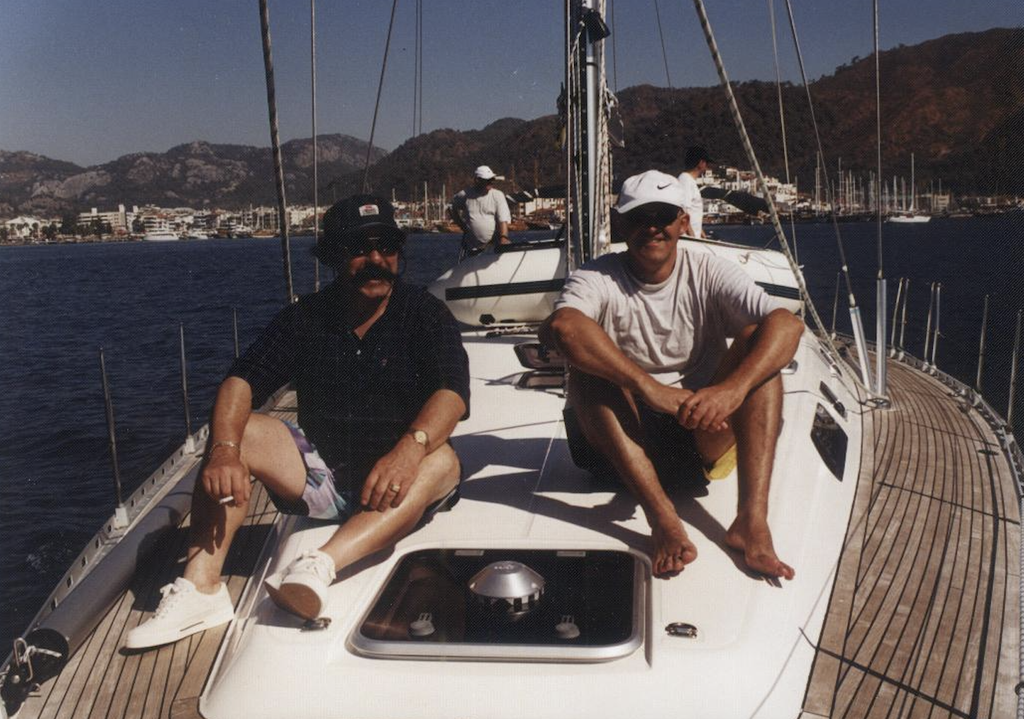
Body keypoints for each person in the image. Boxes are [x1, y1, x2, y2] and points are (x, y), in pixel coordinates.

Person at [125, 195, 470, 649]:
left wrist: (409, 449)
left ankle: (319, 565)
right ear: (332, 257)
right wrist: (225, 450)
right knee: (240, 431)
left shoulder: (424, 314)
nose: (375, 260)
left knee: (441, 460)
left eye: (386, 246)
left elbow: (452, 393)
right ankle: (202, 588)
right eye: (358, 248)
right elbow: (241, 380)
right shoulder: (306, 318)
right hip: (324, 476)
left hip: (399, 480)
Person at [539, 170, 803, 581]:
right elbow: (563, 329)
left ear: (683, 222)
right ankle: (663, 519)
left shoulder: (709, 272)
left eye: (662, 215)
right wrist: (649, 388)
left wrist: (730, 391)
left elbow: (787, 324)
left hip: (698, 437)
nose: (652, 227)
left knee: (759, 349)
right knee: (588, 372)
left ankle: (751, 521)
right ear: (621, 224)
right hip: (618, 449)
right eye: (639, 217)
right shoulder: (597, 276)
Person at [450, 165, 512, 259]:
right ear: (477, 180)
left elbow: (503, 219)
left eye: (492, 179)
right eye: (487, 180)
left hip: (493, 246)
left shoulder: (498, 195)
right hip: (472, 247)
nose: (491, 182)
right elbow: (451, 207)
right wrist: (461, 225)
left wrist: (504, 237)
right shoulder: (465, 195)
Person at [677, 145, 711, 238]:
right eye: (706, 163)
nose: (707, 166)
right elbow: (683, 210)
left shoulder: (689, 181)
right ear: (701, 163)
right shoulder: (685, 180)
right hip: (688, 239)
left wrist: (701, 233)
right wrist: (692, 236)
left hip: (693, 237)